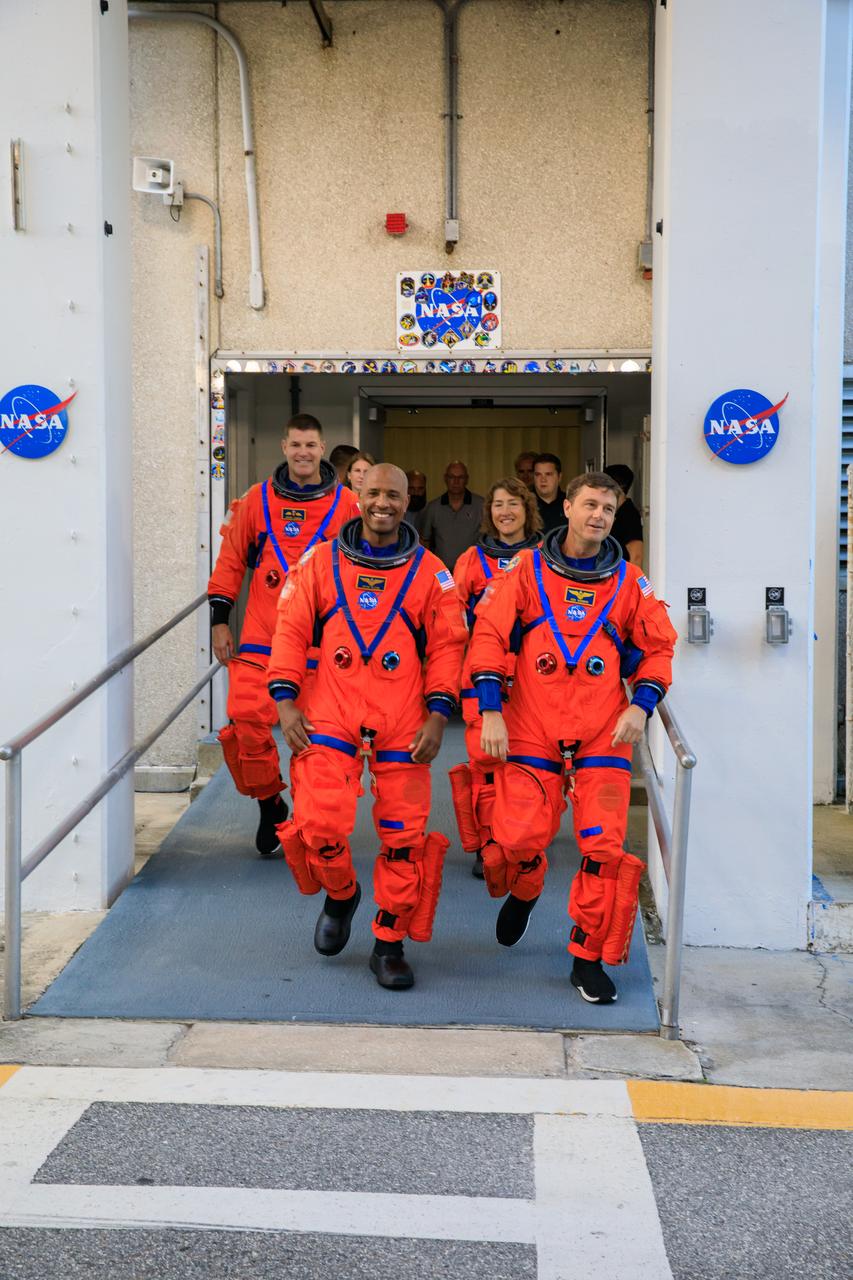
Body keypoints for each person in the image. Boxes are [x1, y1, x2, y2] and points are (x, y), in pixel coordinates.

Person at [469, 471, 676, 1005]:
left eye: (608, 509)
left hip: (603, 729)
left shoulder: (630, 581)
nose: (598, 516)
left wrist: (641, 704)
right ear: (567, 506)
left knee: (602, 848)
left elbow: (659, 648)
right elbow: (489, 636)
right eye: (589, 505)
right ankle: (529, 878)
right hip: (533, 723)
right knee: (516, 837)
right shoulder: (525, 571)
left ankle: (585, 957)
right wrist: (490, 711)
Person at [267, 464, 468, 990]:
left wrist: (438, 712)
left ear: (408, 501)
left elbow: (449, 646)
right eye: (374, 492)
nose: (384, 502)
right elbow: (288, 630)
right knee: (318, 823)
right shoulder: (320, 563)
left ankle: (388, 942)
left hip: (402, 716)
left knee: (404, 838)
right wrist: (286, 701)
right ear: (357, 496)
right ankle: (341, 893)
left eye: (394, 495)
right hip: (330, 710)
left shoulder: (431, 572)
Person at [208, 414, 359, 857]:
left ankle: (313, 821)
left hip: (320, 643)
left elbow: (365, 568)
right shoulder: (257, 501)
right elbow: (232, 561)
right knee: (244, 724)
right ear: (283, 446)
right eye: (296, 445)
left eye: (311, 445)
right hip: (263, 633)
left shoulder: (347, 504)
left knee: (314, 736)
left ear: (322, 447)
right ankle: (270, 801)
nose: (303, 453)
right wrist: (220, 619)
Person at [449, 477, 542, 879]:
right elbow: (452, 621)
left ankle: (520, 835)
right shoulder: (471, 559)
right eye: (498, 504)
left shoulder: (545, 556)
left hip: (533, 678)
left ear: (527, 510)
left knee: (525, 760)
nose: (505, 512)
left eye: (514, 504)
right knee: (485, 762)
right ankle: (487, 840)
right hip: (482, 673)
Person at [420, 460, 484, 571]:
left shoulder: (481, 505)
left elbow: (490, 539)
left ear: (467, 479)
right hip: (442, 573)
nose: (456, 481)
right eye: (451, 477)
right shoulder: (433, 508)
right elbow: (425, 542)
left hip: (473, 572)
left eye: (460, 477)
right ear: (445, 478)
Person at [604, 464, 644, 566]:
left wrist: (630, 581)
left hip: (621, 577)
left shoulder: (629, 515)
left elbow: (636, 557)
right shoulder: (611, 512)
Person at [532, 453, 566, 533]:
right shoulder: (524, 505)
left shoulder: (571, 504)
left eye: (548, 474)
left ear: (559, 477)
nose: (543, 479)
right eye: (538, 475)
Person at [404, 469, 428, 537]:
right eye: (411, 488)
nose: (416, 493)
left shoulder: (432, 512)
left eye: (420, 489)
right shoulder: (397, 513)